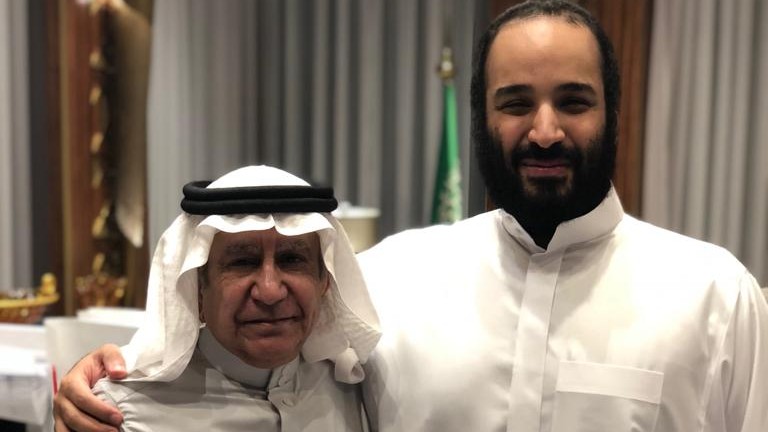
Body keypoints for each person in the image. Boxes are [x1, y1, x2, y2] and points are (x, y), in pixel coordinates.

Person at [54, 1, 768, 431]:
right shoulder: (387, 278)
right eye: (516, 103)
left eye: (574, 102)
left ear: (613, 113)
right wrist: (109, 378)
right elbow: (252, 371)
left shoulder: (714, 296)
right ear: (482, 117)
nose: (545, 131)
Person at [55, 165, 380, 431]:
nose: (270, 291)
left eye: (292, 259)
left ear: (326, 281)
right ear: (197, 286)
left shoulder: (357, 384)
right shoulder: (118, 414)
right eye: (243, 262)